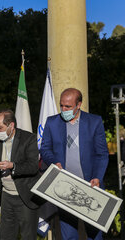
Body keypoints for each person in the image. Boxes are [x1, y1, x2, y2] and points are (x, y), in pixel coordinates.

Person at [40, 88, 109, 240]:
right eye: (61, 105)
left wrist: (97, 177)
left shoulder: (94, 122)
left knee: (95, 235)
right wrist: (53, 161)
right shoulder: (52, 122)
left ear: (79, 105)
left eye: (68, 106)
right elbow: (45, 148)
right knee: (69, 234)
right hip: (65, 187)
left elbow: (102, 154)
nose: (63, 109)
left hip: (91, 187)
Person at [0, 109, 41, 240]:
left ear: (11, 125)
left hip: (26, 196)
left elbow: (33, 166)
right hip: (6, 196)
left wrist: (13, 166)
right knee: (6, 235)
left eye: (0, 127)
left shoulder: (29, 139)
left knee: (28, 236)